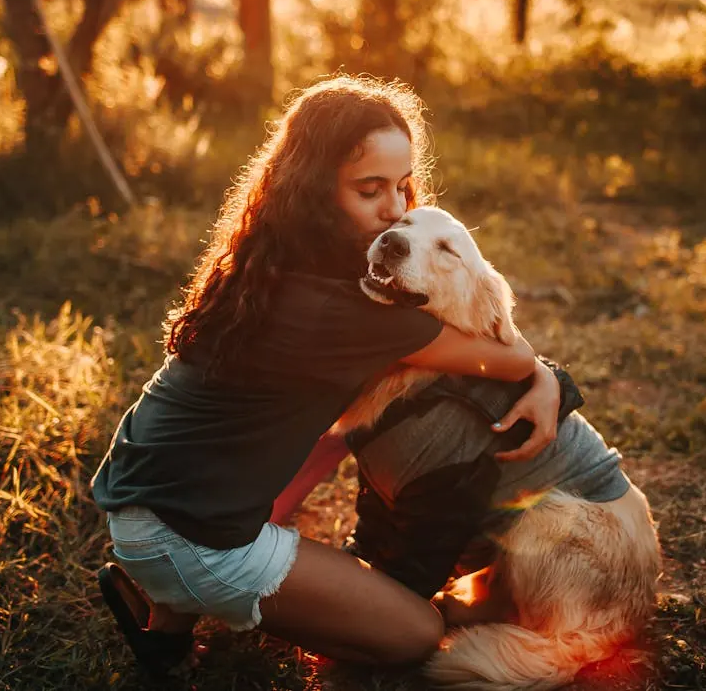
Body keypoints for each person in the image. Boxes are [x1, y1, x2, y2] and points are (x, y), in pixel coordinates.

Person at [91, 75, 562, 674]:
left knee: (317, 438)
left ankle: (167, 631)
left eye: (402, 186)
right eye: (370, 190)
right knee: (417, 632)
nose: (394, 211)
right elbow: (505, 355)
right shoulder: (346, 312)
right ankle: (186, 589)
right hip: (186, 534)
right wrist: (547, 381)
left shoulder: (271, 258)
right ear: (315, 190)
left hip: (140, 492)